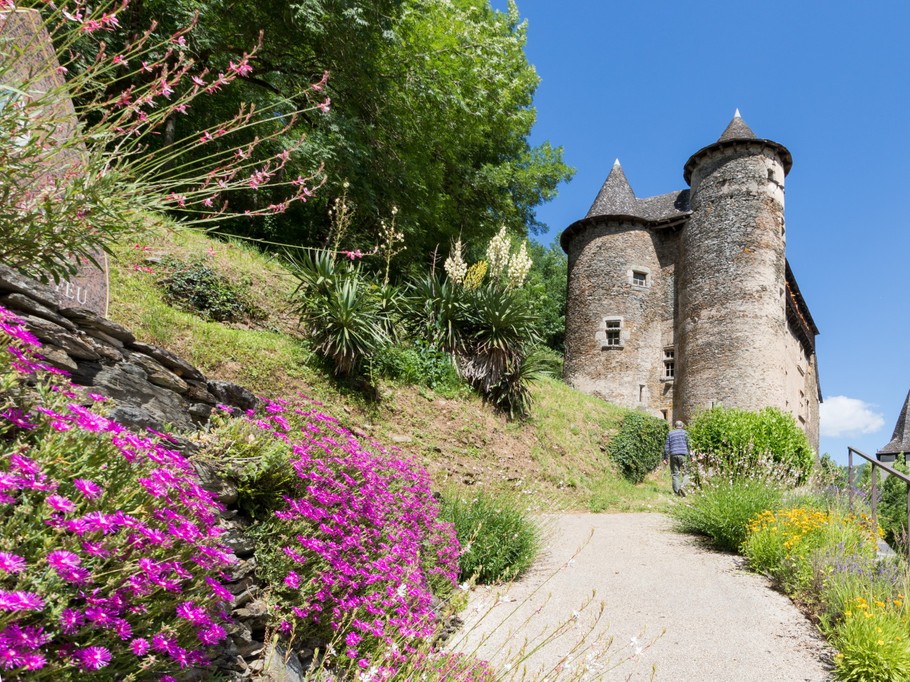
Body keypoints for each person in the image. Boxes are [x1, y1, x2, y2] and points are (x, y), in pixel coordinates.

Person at [664, 420, 690, 496]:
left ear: (675, 426)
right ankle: (683, 486)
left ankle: (677, 492)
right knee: (686, 472)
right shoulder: (685, 433)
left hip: (673, 455)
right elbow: (689, 445)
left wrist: (665, 458)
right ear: (682, 426)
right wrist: (692, 456)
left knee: (675, 474)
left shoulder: (670, 433)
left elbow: (666, 447)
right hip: (683, 455)